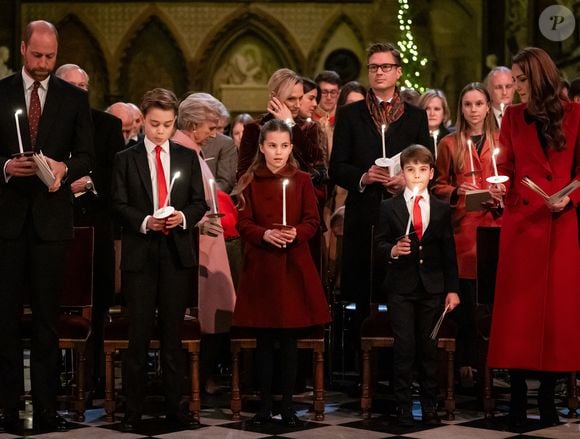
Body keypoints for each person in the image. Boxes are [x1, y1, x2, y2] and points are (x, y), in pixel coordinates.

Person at [0, 20, 93, 433]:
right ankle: (6, 407)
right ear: (23, 49)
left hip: (52, 223)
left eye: (50, 57)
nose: (42, 64)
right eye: (36, 55)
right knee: (3, 320)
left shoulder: (72, 97)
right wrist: (5, 167)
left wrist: (65, 166)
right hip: (7, 222)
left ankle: (47, 408)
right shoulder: (0, 92)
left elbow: (89, 154)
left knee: (46, 322)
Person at [488, 47, 580, 428]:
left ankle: (546, 399)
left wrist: (570, 196)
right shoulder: (511, 117)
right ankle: (517, 401)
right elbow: (505, 165)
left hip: (561, 227)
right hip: (523, 225)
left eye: (523, 81)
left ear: (540, 78)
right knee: (518, 316)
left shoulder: (575, 116)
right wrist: (499, 188)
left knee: (555, 317)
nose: (516, 89)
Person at [111, 88, 207, 432]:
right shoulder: (126, 157)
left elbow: (199, 202)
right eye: (154, 124)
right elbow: (118, 204)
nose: (160, 131)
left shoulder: (186, 156)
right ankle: (132, 409)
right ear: (144, 120)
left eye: (167, 124)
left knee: (172, 336)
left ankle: (175, 408)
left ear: (175, 122)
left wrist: (180, 217)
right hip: (140, 253)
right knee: (137, 336)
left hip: (175, 253)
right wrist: (144, 221)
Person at [232, 119, 331, 426]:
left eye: (284, 146)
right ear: (261, 147)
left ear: (291, 147)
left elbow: (312, 221)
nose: (278, 152)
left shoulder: (301, 180)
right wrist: (264, 234)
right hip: (262, 268)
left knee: (288, 342)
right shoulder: (249, 180)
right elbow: (243, 223)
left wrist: (294, 234)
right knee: (264, 342)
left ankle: (287, 405)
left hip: (293, 269)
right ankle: (264, 404)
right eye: (272, 146)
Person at [329, 42, 430, 329]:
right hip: (364, 215)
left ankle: (399, 366)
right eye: (373, 67)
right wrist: (364, 176)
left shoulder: (415, 116)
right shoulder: (351, 115)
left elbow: (427, 163)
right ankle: (362, 362)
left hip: (403, 215)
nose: (379, 72)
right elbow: (337, 167)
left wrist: (406, 179)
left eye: (386, 67)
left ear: (398, 72)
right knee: (363, 293)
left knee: (401, 295)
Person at [375, 144, 460, 426]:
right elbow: (379, 244)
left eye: (422, 170)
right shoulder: (389, 207)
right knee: (404, 348)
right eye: (410, 170)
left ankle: (429, 403)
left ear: (431, 173)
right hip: (401, 287)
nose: (416, 175)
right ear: (403, 172)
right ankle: (402, 404)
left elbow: (448, 251)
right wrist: (392, 250)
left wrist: (452, 288)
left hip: (431, 288)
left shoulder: (440, 208)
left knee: (428, 348)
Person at [55, 63, 125, 396]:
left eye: (84, 85)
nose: (80, 92)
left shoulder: (107, 125)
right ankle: (55, 378)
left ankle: (96, 378)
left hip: (97, 226)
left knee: (97, 306)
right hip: (57, 226)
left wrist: (87, 185)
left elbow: (117, 176)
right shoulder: (45, 126)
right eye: (73, 86)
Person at [434, 82, 500, 382]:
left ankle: (491, 364)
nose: (473, 110)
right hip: (462, 230)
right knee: (465, 301)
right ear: (461, 108)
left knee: (490, 303)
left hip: (494, 228)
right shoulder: (450, 143)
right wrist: (457, 190)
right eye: (467, 104)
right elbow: (438, 186)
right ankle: (464, 363)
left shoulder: (502, 140)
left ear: (488, 106)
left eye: (478, 104)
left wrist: (500, 192)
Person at [172, 92, 237, 393]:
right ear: (194, 122)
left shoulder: (194, 150)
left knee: (217, 314)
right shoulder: (181, 151)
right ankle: (194, 382)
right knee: (206, 317)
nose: (214, 134)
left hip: (209, 243)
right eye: (211, 126)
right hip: (197, 244)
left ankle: (202, 379)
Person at [199, 97, 238, 193]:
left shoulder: (225, 143)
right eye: (214, 128)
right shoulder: (185, 139)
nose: (217, 134)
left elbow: (225, 183)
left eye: (222, 128)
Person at [417, 89, 453, 157]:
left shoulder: (452, 140)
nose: (432, 113)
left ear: (444, 113)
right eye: (427, 109)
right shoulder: (412, 140)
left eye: (436, 109)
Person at [313, 70, 341, 150]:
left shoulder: (344, 119)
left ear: (339, 94)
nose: (329, 97)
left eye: (333, 92)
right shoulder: (307, 117)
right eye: (324, 92)